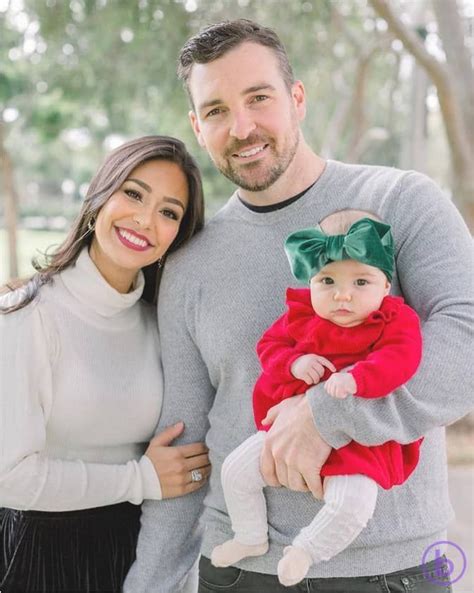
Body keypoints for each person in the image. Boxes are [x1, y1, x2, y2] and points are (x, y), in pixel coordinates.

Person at [124, 20, 474, 593]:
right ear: (196, 125)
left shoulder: (402, 202)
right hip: (236, 573)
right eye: (215, 110)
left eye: (258, 98)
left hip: (392, 571)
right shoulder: (188, 263)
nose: (242, 127)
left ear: (297, 98)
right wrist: (152, 584)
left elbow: (466, 343)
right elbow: (183, 444)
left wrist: (329, 418)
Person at [0, 135, 210, 593]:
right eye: (133, 193)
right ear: (99, 197)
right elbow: (9, 478)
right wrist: (139, 480)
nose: (145, 219)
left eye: (169, 212)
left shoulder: (163, 326)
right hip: (44, 555)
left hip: (141, 555)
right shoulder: (27, 315)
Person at [211, 211, 424, 586]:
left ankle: (306, 550)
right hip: (285, 427)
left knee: (354, 502)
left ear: (385, 285)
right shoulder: (300, 315)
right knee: (234, 471)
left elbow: (402, 358)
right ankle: (249, 535)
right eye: (327, 280)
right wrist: (295, 362)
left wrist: (359, 378)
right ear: (310, 281)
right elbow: (269, 346)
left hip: (359, 442)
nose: (343, 294)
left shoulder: (395, 320)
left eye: (361, 281)